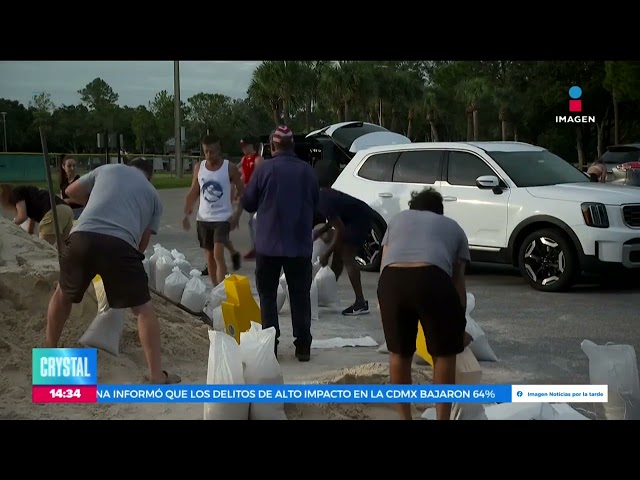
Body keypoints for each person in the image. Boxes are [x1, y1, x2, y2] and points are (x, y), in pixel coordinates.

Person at [45, 158, 179, 384]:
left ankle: (49, 356)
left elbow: (70, 191)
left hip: (81, 239)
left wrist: (96, 203)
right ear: (150, 176)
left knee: (63, 294)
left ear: (128, 165)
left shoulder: (107, 169)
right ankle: (156, 375)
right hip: (121, 246)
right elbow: (142, 244)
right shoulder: (153, 196)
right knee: (143, 310)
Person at [377, 187, 470, 420]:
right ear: (439, 211)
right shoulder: (453, 227)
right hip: (432, 278)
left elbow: (384, 264)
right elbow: (458, 281)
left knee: (399, 353)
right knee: (444, 354)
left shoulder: (397, 220)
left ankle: (404, 417)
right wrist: (459, 322)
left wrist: (385, 303)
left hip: (391, 281)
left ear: (412, 208)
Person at [241, 125, 319, 361]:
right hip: (299, 245)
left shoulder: (264, 170)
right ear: (292, 145)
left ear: (272, 146)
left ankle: (270, 347)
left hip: (268, 246)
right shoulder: (307, 172)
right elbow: (317, 205)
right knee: (300, 295)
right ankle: (303, 346)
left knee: (267, 295)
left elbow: (248, 203)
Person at [184, 135, 245, 286]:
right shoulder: (199, 168)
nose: (209, 155)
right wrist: (187, 212)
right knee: (209, 256)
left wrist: (237, 215)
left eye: (212, 151)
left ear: (219, 151)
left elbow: (243, 191)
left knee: (218, 254)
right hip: (203, 219)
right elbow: (194, 190)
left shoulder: (229, 167)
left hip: (222, 218)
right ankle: (215, 289)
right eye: (206, 152)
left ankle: (221, 291)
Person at [312, 183, 376, 316]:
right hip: (354, 217)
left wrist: (326, 254)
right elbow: (335, 218)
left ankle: (361, 303)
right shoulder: (321, 194)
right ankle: (326, 294)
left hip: (359, 219)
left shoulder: (321, 201)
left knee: (347, 255)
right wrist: (321, 231)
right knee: (337, 257)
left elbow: (339, 229)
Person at [0, 183, 74, 246]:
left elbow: (22, 216)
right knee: (62, 247)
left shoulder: (15, 193)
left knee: (43, 247)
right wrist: (30, 231)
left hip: (54, 211)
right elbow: (33, 214)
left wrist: (8, 226)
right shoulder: (27, 194)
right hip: (66, 210)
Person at [239, 136, 263, 260]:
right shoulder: (244, 159)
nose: (243, 148)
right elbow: (244, 175)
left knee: (257, 221)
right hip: (250, 193)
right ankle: (255, 247)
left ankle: (260, 248)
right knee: (251, 222)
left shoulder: (258, 160)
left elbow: (258, 178)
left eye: (245, 145)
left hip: (258, 195)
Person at [59, 155, 84, 219]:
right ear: (63, 167)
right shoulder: (63, 182)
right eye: (69, 166)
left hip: (78, 211)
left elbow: (84, 201)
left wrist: (69, 201)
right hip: (66, 211)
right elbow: (62, 197)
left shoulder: (79, 181)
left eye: (74, 166)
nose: (72, 168)